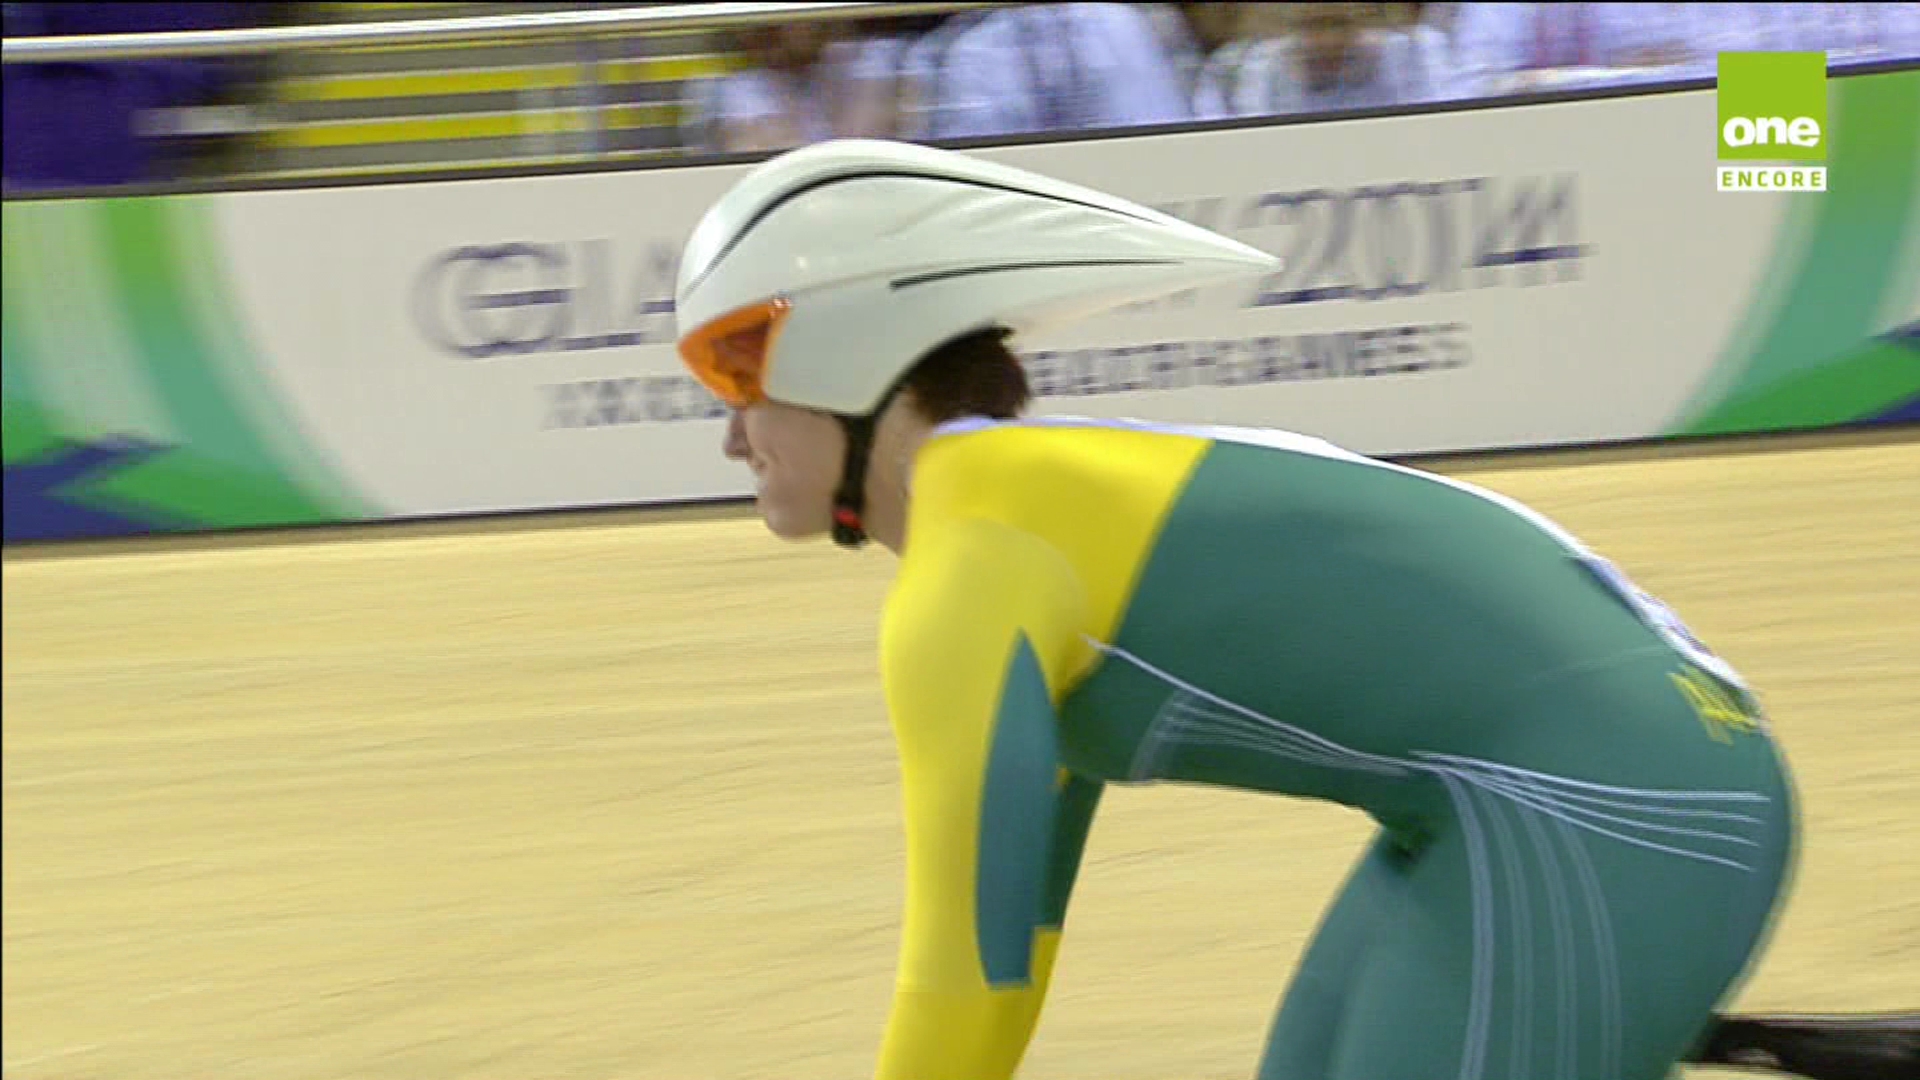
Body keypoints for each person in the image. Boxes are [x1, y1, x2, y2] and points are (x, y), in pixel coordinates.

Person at [669, 138, 1898, 1080]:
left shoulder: (976, 563)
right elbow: (1011, 953)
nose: (729, 434)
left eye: (735, 366)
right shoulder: (1021, 513)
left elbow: (969, 986)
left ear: (853, 348)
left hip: (1604, 806)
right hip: (1584, 791)